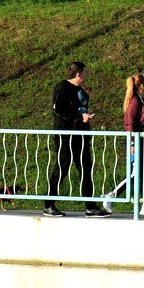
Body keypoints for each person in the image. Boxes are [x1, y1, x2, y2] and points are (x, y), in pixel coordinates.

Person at [44, 61, 110, 217]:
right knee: (62, 167)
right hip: (66, 135)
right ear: (79, 73)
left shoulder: (80, 89)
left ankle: (90, 206)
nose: (87, 75)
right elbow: (59, 110)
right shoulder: (62, 87)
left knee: (86, 168)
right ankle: (48, 204)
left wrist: (84, 117)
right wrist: (79, 116)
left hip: (81, 135)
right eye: (85, 72)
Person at [102, 73, 144, 216]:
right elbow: (129, 122)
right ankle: (112, 195)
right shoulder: (135, 101)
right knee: (136, 173)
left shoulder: (141, 100)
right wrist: (133, 143)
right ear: (141, 85)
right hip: (138, 142)